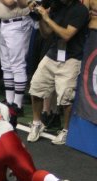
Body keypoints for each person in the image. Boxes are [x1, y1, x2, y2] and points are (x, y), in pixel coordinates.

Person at [23, 0, 89, 144]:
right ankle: (37, 123)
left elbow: (66, 35)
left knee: (66, 97)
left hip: (72, 57)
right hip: (54, 53)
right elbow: (47, 34)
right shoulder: (56, 6)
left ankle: (66, 130)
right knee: (36, 87)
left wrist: (46, 18)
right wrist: (40, 19)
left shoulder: (80, 10)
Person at [0, 0, 34, 115]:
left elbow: (9, 2)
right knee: (6, 66)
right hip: (5, 23)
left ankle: (18, 105)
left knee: (17, 65)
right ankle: (9, 101)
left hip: (18, 24)